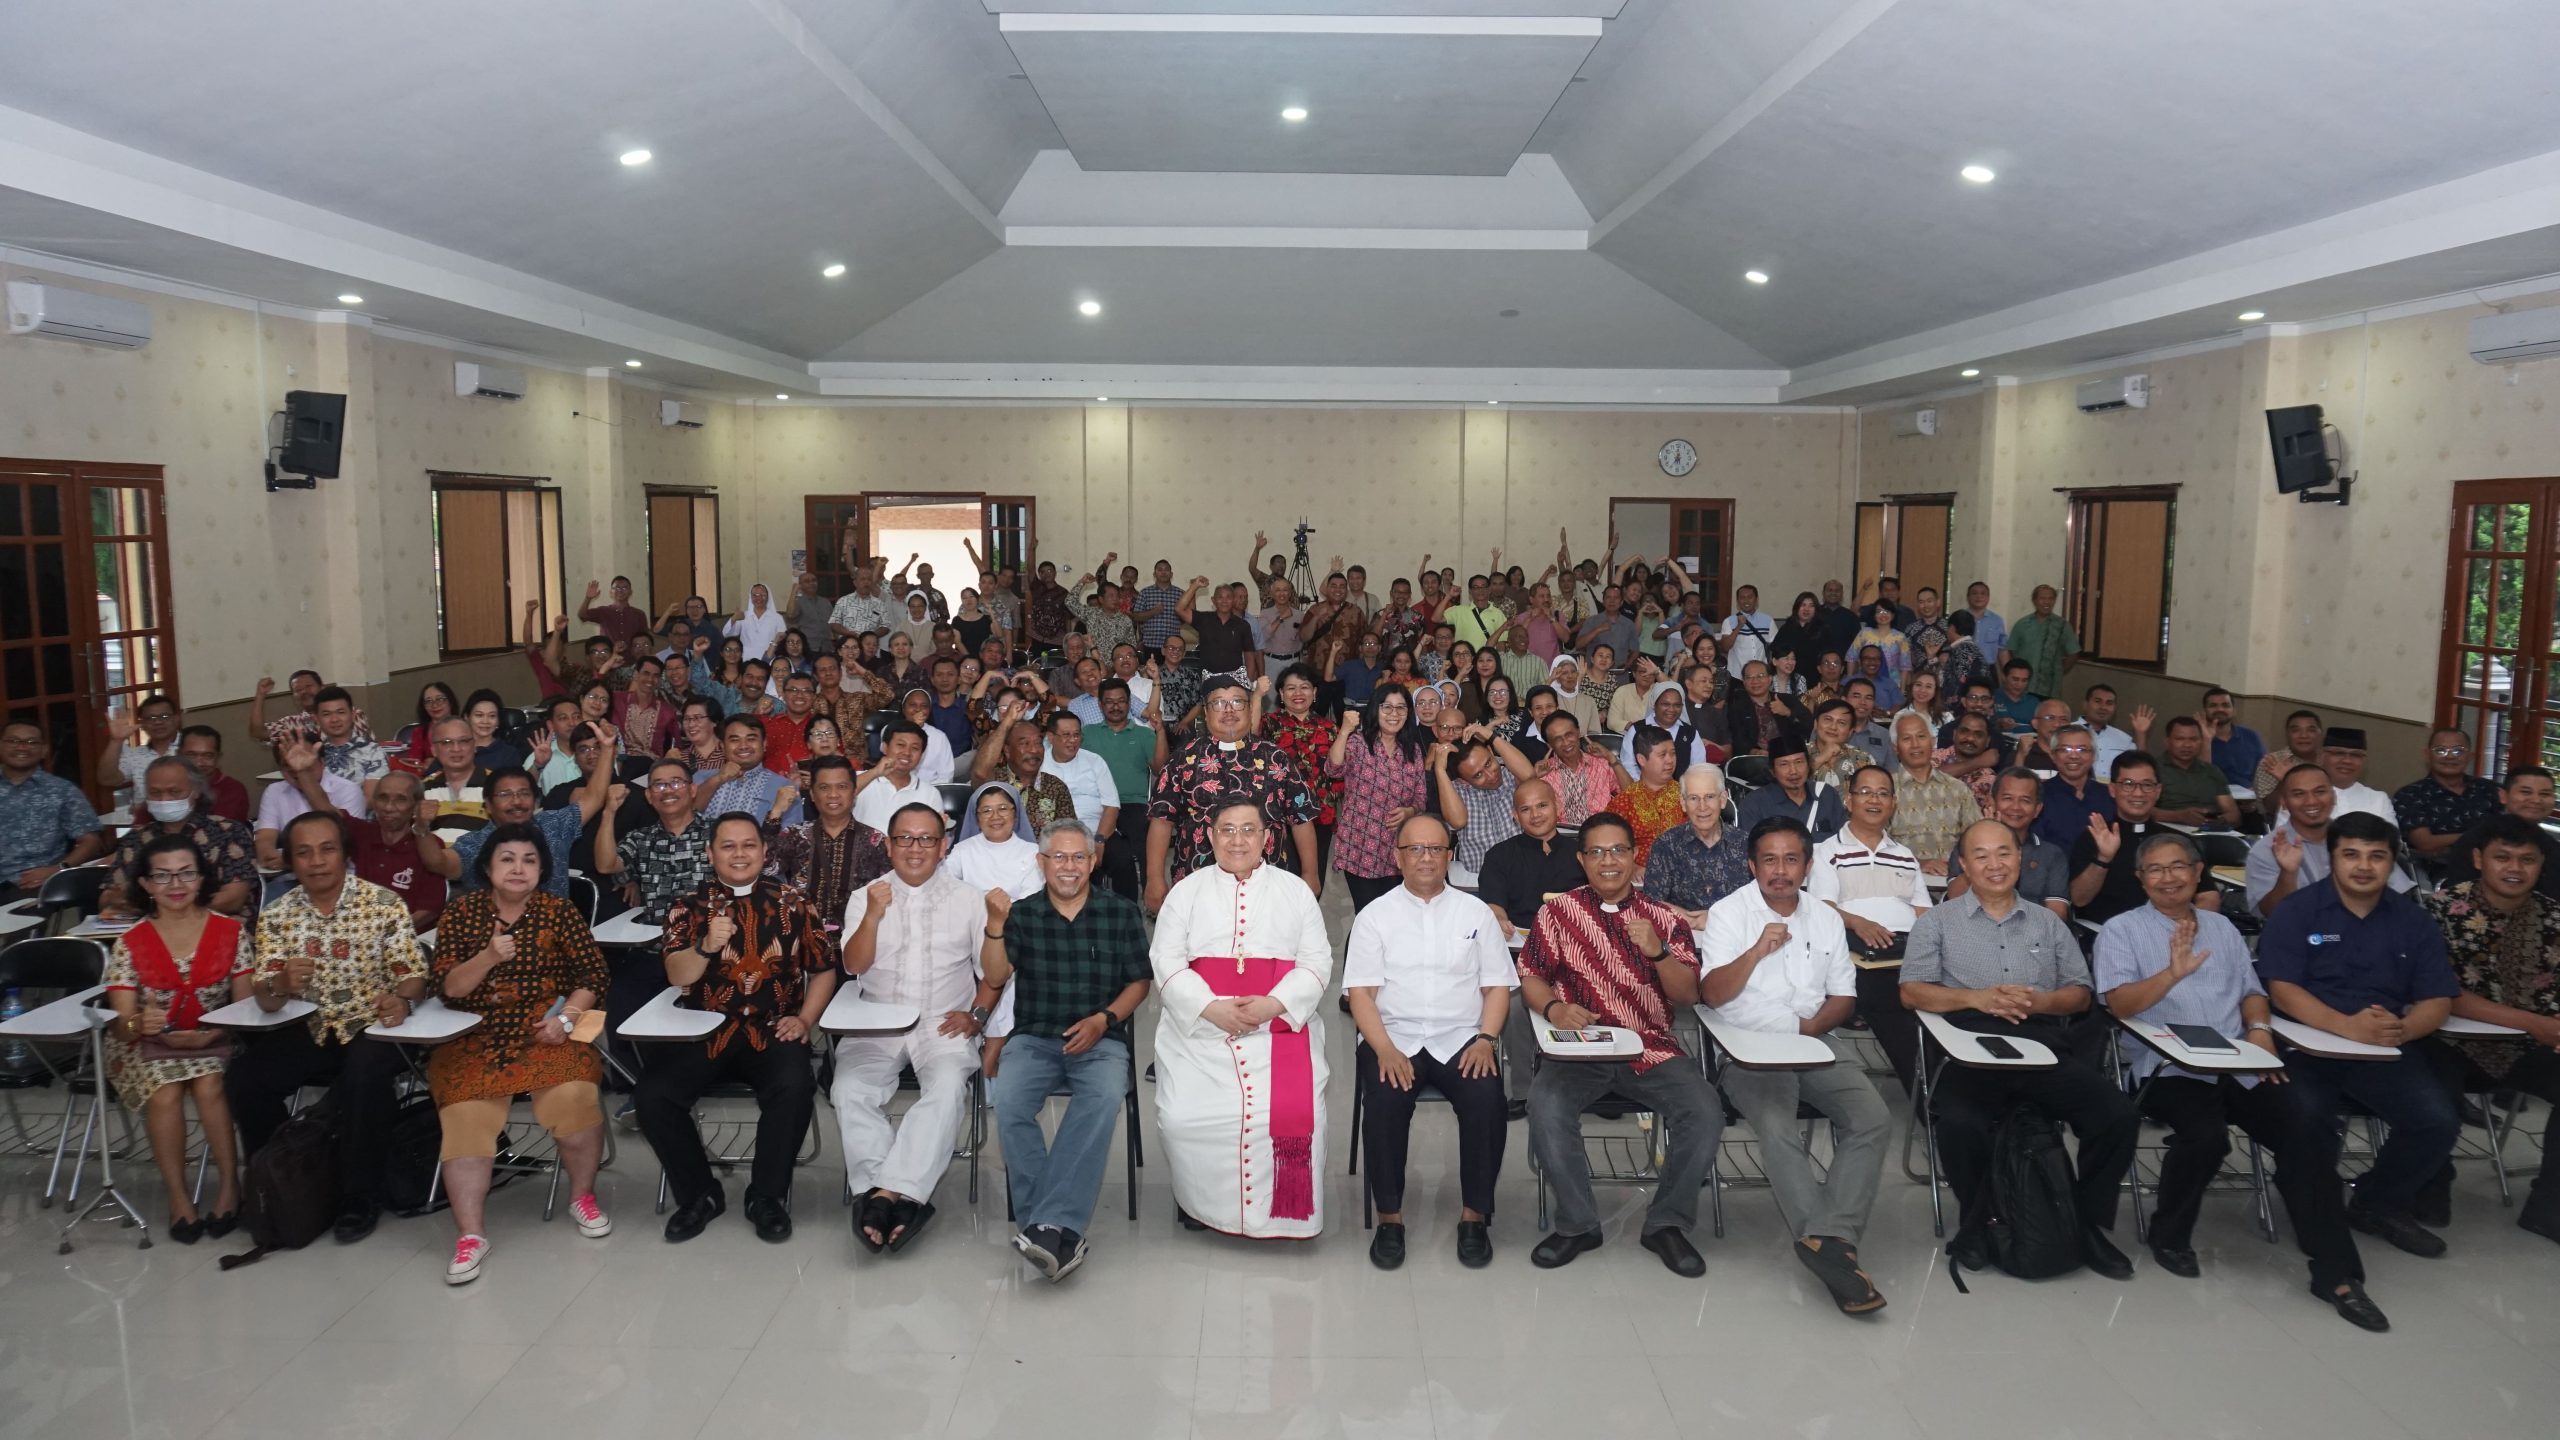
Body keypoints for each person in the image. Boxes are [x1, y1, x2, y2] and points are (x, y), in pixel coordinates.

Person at [2091, 828, 2384, 1326]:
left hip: (2241, 1062)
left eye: (2178, 866)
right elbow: (2118, 1005)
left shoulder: (2222, 928)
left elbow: (2252, 991)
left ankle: (2335, 1272)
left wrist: (2261, 1029)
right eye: (2155, 870)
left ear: (2197, 871)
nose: (2168, 878)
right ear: (2140, 879)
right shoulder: (2120, 930)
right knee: (2206, 1136)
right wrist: (2171, 974)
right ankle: (2169, 1234)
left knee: (2309, 1127)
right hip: (2168, 1066)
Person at [1903, 819, 2139, 1279]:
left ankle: (2083, 1224)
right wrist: (1977, 997)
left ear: (2020, 859)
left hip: (2041, 1041)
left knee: (2117, 1115)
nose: (1995, 864)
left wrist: (2042, 1001)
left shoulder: (2048, 922)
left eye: (2004, 853)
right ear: (1965, 864)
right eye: (1982, 856)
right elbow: (1912, 992)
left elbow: (2080, 993)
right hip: (1969, 1043)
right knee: (1959, 1123)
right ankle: (1977, 1224)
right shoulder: (1938, 922)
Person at [1699, 817, 1892, 1314]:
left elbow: (1843, 997)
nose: (1779, 871)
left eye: (1790, 860)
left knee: (1873, 1117)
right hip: (1748, 1051)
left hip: (1817, 1042)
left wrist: (1807, 1031)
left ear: (1808, 867)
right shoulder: (1728, 914)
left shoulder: (1826, 918)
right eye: (1769, 860)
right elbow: (1716, 998)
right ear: (1752, 865)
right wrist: (1756, 951)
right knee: (1778, 1125)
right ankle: (1833, 1249)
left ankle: (1826, 1240)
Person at [1517, 811, 1720, 1276]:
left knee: (1704, 1109)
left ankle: (1667, 1223)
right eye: (1596, 852)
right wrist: (1553, 1010)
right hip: (1579, 1045)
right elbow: (1530, 976)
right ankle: (1578, 1224)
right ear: (1582, 860)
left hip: (1651, 1048)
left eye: (1618, 851)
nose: (1608, 861)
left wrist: (1659, 952)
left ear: (1634, 857)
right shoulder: (1557, 912)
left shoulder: (1665, 918)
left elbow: (1688, 994)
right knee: (1545, 1107)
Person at [2256, 812, 2462, 1257]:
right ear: (2331, 858)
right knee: (2308, 1120)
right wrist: (2346, 1027)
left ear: (2392, 863)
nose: (2364, 866)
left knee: (2437, 1121)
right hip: (2305, 1047)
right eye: (2351, 855)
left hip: (2384, 1048)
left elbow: (2438, 999)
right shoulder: (2298, 911)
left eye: (2377, 856)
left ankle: (2377, 1204)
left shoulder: (2414, 920)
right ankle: (2312, 1208)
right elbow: (2282, 989)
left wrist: (2403, 1029)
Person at [228, 811, 426, 1243]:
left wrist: (403, 999)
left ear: (345, 855)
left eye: (327, 849)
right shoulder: (277, 915)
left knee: (364, 1074)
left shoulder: (383, 903)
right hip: (308, 1024)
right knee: (245, 1078)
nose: (316, 861)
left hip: (374, 1023)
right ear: (290, 862)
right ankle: (281, 1177)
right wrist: (279, 984)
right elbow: (265, 996)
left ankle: (361, 1193)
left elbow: (413, 973)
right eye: (303, 853)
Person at [427, 824, 611, 1282]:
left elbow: (593, 976)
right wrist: (488, 956)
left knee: (574, 1097)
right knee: (466, 1116)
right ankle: (471, 1235)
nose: (518, 868)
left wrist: (567, 1019)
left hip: (547, 1032)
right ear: (486, 868)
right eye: (507, 859)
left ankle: (582, 1197)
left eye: (529, 860)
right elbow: (448, 989)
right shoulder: (462, 913)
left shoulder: (558, 911)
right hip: (476, 1036)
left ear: (542, 870)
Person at [642, 813, 835, 1243]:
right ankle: (699, 1195)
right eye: (728, 846)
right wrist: (706, 945)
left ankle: (766, 1196)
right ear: (710, 853)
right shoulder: (687, 905)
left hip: (772, 1027)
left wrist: (805, 1019)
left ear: (765, 852)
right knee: (653, 1095)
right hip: (703, 1030)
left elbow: (823, 970)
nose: (740, 854)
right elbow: (677, 974)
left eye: (749, 845)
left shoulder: (794, 902)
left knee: (794, 1086)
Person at [1150, 798, 1334, 1238]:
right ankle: (1200, 1204)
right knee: (1182, 1118)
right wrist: (1210, 1008)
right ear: (1210, 836)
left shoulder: (1295, 892)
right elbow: (1167, 960)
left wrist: (1274, 1004)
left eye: (1249, 830)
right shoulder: (1185, 892)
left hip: (1278, 1028)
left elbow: (1316, 961)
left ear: (1267, 839)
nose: (1238, 840)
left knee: (1292, 1112)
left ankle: (1282, 1214)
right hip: (1200, 1033)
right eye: (1227, 829)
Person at [1343, 813, 1514, 1270]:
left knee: (1487, 1101)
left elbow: (1497, 987)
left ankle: (1474, 1216)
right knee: (1383, 1104)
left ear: (1450, 856)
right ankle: (1390, 1219)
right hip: (1392, 1036)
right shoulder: (1373, 916)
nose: (1425, 858)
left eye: (1435, 849)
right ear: (1397, 857)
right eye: (1414, 849)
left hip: (1462, 1037)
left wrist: (1486, 1039)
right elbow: (1360, 993)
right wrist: (1382, 1049)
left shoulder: (1475, 912)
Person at [983, 818, 1151, 1280]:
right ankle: (1056, 1229)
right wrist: (995, 927)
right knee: (1011, 1101)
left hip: (1101, 1038)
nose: (1069, 866)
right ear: (1041, 863)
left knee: (1100, 1099)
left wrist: (1104, 1020)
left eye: (1079, 857)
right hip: (1034, 1038)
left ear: (1094, 862)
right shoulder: (1021, 913)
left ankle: (1044, 1224)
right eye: (1059, 857)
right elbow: (995, 976)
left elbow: (1140, 982)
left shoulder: (1120, 912)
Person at [836, 802, 985, 1252]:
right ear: (888, 844)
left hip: (943, 1020)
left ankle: (879, 1196)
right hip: (876, 1018)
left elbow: (994, 972)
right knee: (847, 1090)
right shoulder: (867, 895)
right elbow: (853, 965)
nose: (915, 849)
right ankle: (900, 1195)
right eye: (904, 838)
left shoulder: (969, 899)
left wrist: (977, 1016)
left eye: (926, 839)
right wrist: (873, 917)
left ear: (944, 846)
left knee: (944, 1090)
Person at [2421, 814, 2560, 1246]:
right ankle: (2427, 1189)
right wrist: (2535, 1023)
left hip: (2529, 1049)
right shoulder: (2440, 911)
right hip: (2449, 1040)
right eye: (2503, 857)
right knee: (2431, 1097)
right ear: (2480, 859)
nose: (2515, 869)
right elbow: (2446, 994)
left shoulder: (2555, 917)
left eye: (2527, 859)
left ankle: (2548, 1208)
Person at [100, 834, 246, 1242]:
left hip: (215, 1038)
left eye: (186, 874)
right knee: (164, 1091)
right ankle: (178, 1197)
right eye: (162, 877)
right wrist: (139, 1026)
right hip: (144, 1045)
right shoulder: (130, 944)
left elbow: (245, 1010)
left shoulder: (232, 933)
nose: (176, 885)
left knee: (208, 1083)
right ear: (145, 885)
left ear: (202, 879)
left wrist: (214, 1033)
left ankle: (231, 1188)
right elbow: (120, 1025)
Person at [1143, 676, 1320, 911]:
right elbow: (1161, 820)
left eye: (1237, 702)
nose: (1228, 710)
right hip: (1198, 881)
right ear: (1206, 713)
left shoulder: (1275, 758)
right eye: (1218, 703)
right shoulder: (1183, 759)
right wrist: (1154, 879)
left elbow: (1302, 819)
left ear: (1250, 709)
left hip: (1268, 883)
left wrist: (1311, 873)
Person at [1810, 765, 1934, 1091]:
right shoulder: (1827, 852)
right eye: (1865, 792)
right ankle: (1931, 1101)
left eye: (1882, 793)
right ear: (1849, 800)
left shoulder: (1904, 855)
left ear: (1893, 803)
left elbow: (1924, 913)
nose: (1874, 799)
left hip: (1906, 954)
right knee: (1898, 1012)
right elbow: (1821, 909)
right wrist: (1857, 922)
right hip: (1855, 955)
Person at [2073, 751, 2226, 925]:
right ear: (2113, 789)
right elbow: (2079, 899)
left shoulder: (2178, 841)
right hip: (2112, 938)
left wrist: (2188, 930)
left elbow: (2209, 897)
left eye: (2147, 785)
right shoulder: (2093, 836)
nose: (2138, 793)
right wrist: (2103, 859)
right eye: (2128, 784)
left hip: (2176, 935)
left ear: (2158, 791)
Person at [99, 756, 258, 917]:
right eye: (155, 793)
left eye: (174, 792)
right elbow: (107, 898)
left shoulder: (229, 833)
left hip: (216, 928)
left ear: (195, 791)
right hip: (146, 931)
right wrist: (116, 898)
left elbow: (233, 899)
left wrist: (159, 906)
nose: (164, 799)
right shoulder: (135, 839)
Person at [2245, 763, 2414, 915]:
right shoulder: (2268, 848)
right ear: (2284, 801)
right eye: (2298, 794)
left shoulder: (2358, 838)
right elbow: (2272, 913)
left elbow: (2399, 898)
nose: (2311, 801)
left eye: (2320, 792)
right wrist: (2288, 873)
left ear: (2333, 796)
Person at [0, 717, 107, 899]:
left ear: (44, 750)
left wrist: (57, 870)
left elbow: (91, 840)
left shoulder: (62, 791)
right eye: (13, 741)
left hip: (33, 885)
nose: (22, 747)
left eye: (31, 742)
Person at [1944, 767, 2072, 916]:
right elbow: (1954, 897)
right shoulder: (1969, 844)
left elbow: (2057, 913)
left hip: (2032, 934)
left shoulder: (2051, 854)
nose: (2015, 807)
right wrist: (1987, 842)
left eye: (2025, 800)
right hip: (1973, 932)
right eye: (2007, 798)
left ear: (2037, 809)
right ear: (1991, 802)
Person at [1643, 761, 1751, 923]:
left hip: (1736, 938)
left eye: (1709, 797)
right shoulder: (1666, 845)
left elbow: (1761, 902)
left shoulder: (1747, 844)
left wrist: (1717, 919)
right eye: (1693, 798)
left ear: (1722, 799)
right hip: (1680, 936)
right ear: (1683, 803)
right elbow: (1650, 902)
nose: (1702, 807)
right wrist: (1687, 919)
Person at [349, 768, 454, 930]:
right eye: (382, 798)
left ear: (416, 807)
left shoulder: (429, 845)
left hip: (408, 938)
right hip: (359, 932)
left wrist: (387, 932)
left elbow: (429, 910)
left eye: (401, 800)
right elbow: (327, 813)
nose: (389, 807)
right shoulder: (363, 833)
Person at [252, 734, 370, 870]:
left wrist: (293, 861)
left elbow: (348, 845)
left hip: (340, 873)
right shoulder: (274, 790)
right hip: (287, 875)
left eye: (305, 761)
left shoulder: (348, 790)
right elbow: (265, 837)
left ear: (322, 762)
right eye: (287, 764)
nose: (295, 769)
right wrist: (268, 855)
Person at [2440, 767, 2560, 897]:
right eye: (2526, 792)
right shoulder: (2479, 839)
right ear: (2503, 796)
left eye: (2544, 794)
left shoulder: (2551, 845)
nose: (2536, 800)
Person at [2394, 727, 2500, 872]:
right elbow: (2425, 843)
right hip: (2436, 874)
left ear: (2471, 756)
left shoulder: (2489, 789)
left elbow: (2507, 830)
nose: (2449, 756)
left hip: (2492, 870)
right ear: (2427, 754)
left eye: (2458, 751)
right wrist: (2478, 835)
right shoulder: (2411, 794)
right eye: (2440, 750)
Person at [1889, 712, 1978, 872]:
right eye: (1906, 738)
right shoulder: (1885, 791)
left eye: (1921, 736)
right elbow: (1873, 845)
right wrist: (1917, 863)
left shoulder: (1958, 789)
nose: (1915, 744)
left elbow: (1977, 841)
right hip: (1903, 881)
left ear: (1932, 741)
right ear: (1895, 747)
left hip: (1954, 884)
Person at [1736, 734, 1845, 842]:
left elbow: (1843, 841)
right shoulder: (1754, 804)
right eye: (1784, 764)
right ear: (1772, 771)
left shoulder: (1826, 794)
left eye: (1799, 762)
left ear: (1809, 765)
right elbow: (1750, 851)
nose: (1793, 771)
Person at [2036, 723, 2117, 849]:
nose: (2074, 756)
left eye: (2082, 750)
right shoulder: (2039, 795)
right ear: (2053, 755)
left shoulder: (2107, 795)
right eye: (2065, 749)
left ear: (2094, 756)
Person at [95, 692, 184, 806]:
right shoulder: (135, 754)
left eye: (164, 716)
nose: (158, 722)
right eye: (150, 718)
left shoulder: (190, 748)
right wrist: (115, 741)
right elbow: (106, 780)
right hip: (145, 820)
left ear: (176, 718)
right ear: (142, 724)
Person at [2153, 716, 2239, 826]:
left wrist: (2214, 821)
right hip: (2170, 832)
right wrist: (2179, 816)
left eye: (2193, 739)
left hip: (2212, 831)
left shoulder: (2211, 771)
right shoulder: (2153, 770)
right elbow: (2142, 811)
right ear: (2167, 741)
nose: (2187, 745)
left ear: (2202, 741)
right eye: (2180, 739)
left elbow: (2234, 815)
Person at [2004, 584, 2077, 699]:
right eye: (2042, 598)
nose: (2046, 602)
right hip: (2023, 687)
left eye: (2050, 599)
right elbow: (2012, 650)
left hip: (2050, 688)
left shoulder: (2062, 626)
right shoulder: (2022, 624)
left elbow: (2073, 653)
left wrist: (2058, 671)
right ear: (2034, 601)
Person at [2319, 727, 2397, 824]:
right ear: (2322, 757)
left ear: (2364, 761)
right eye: (2338, 753)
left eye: (2355, 755)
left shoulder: (2378, 800)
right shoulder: (2306, 795)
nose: (2347, 761)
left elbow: (2392, 838)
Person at [2255, 708, 2326, 803]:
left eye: (2311, 730)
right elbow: (2270, 808)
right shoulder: (2272, 761)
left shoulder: (2328, 760)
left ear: (2320, 734)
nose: (2304, 736)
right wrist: (2287, 779)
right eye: (2296, 730)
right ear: (2287, 734)